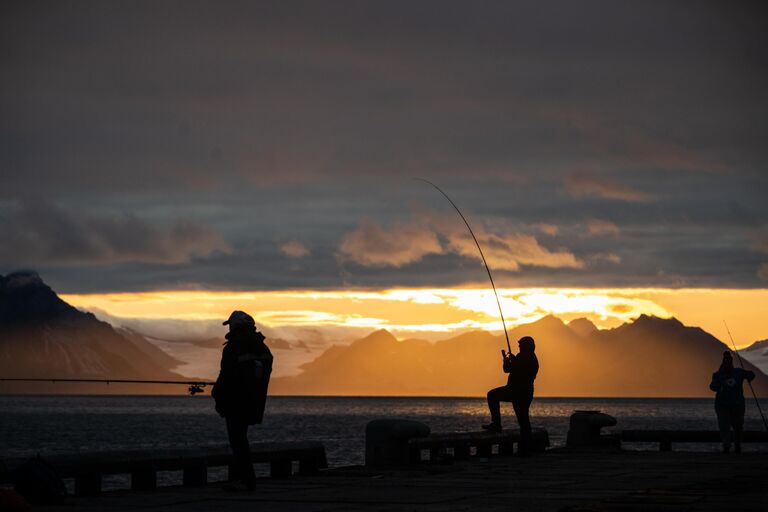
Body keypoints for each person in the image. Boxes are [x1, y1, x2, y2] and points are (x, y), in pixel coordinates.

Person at [212, 310, 273, 490]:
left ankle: (246, 481)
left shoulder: (233, 347)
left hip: (235, 403)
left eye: (231, 324)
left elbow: (226, 376)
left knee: (237, 441)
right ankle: (245, 479)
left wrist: (216, 394)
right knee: (241, 439)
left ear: (236, 325)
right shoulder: (262, 347)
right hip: (252, 402)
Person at [482, 336, 539, 455]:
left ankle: (497, 424)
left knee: (492, 395)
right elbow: (507, 369)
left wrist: (514, 361)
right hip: (520, 392)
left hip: (518, 391)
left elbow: (520, 371)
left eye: (521, 344)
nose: (519, 346)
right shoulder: (523, 357)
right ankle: (527, 448)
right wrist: (506, 360)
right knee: (523, 420)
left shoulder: (529, 358)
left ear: (527, 346)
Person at [709, 351, 754, 453]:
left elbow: (751, 374)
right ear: (723, 362)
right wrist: (718, 386)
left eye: (729, 361)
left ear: (731, 362)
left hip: (737, 405)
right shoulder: (717, 375)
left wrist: (749, 377)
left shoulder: (739, 372)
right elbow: (712, 386)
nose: (727, 363)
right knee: (724, 426)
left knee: (738, 426)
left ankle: (737, 445)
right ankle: (727, 446)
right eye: (726, 361)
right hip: (722, 406)